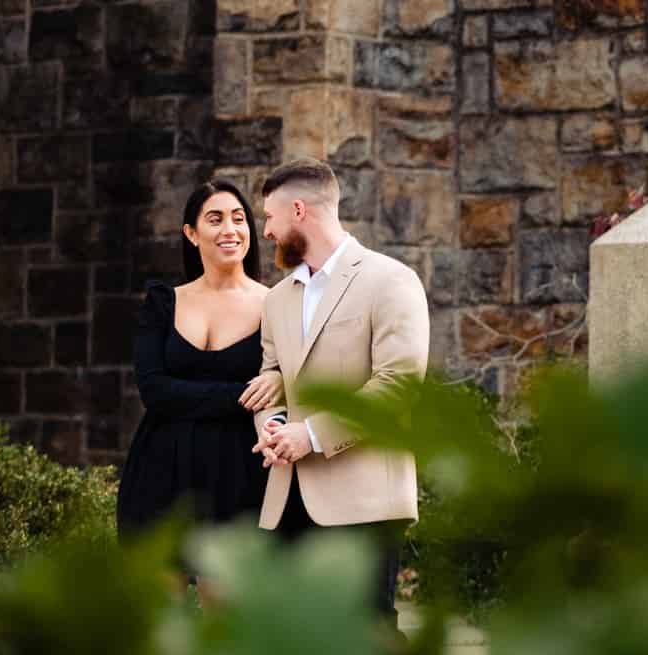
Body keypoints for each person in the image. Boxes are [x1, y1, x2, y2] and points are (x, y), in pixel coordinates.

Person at [250, 159, 430, 622]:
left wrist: (309, 435)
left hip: (365, 497)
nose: (265, 231)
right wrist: (272, 428)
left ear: (297, 210)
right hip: (288, 499)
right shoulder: (275, 300)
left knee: (369, 639)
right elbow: (271, 379)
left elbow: (398, 384)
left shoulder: (390, 280)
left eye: (269, 217)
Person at [116, 179, 281, 591]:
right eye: (215, 219)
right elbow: (154, 390)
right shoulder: (162, 302)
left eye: (239, 218)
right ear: (191, 233)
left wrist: (277, 380)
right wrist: (241, 395)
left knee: (224, 616)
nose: (230, 229)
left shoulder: (278, 304)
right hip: (160, 469)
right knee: (157, 617)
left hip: (238, 471)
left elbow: (298, 377)